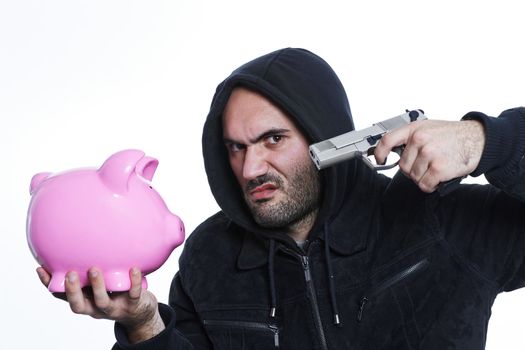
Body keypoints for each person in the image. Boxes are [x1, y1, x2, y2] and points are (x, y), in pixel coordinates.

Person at [37, 48, 525, 349]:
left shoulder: (438, 217)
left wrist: (489, 143)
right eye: (235, 148)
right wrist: (144, 325)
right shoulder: (211, 256)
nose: (250, 170)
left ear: (326, 136)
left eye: (273, 140)